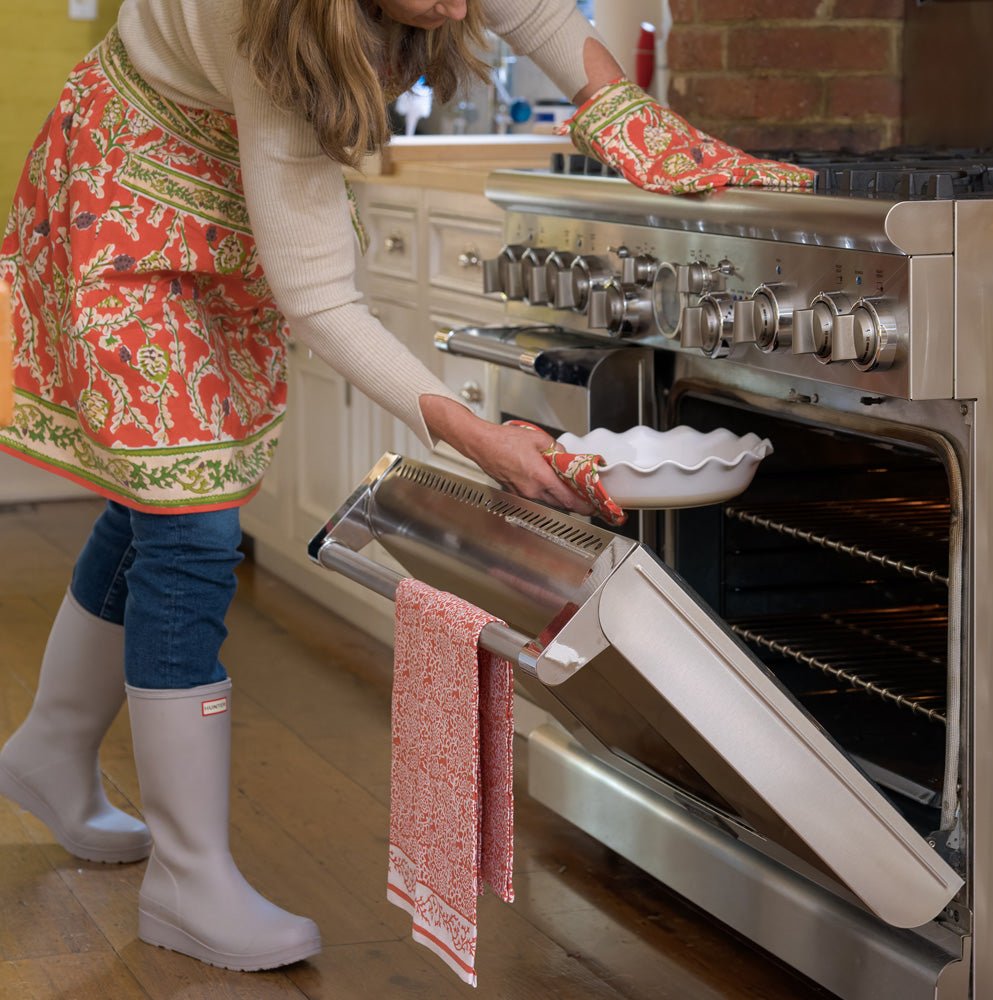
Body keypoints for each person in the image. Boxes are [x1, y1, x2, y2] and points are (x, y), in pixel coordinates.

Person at [0, 0, 812, 975]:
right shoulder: (264, 26)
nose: (462, 9)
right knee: (190, 523)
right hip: (131, 168)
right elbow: (322, 300)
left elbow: (546, 18)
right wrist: (479, 437)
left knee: (168, 487)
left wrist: (637, 123)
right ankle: (187, 872)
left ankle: (51, 747)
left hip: (223, 167)